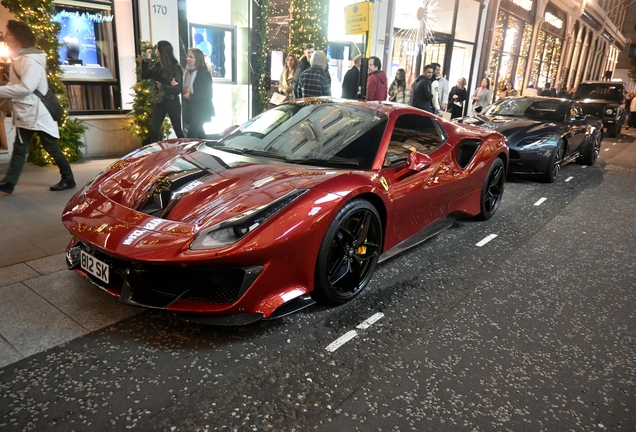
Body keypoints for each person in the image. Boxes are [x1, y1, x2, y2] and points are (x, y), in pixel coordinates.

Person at [0, 20, 75, 194]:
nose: (5, 37)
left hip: (38, 112)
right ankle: (9, 182)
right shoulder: (19, 58)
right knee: (20, 147)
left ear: (18, 39)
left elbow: (27, 87)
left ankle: (68, 178)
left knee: (51, 146)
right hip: (27, 112)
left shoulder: (30, 60)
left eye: (8, 34)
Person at [141, 40, 184, 144]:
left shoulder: (176, 67)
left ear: (162, 51)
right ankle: (154, 152)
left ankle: (185, 149)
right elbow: (145, 75)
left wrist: (162, 86)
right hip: (160, 101)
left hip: (172, 101)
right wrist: (146, 60)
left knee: (177, 129)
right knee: (155, 129)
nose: (156, 51)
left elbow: (178, 89)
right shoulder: (157, 66)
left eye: (157, 49)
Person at [181, 48, 214, 139]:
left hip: (201, 110)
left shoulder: (204, 74)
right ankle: (208, 149)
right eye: (188, 56)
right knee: (201, 135)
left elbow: (208, 95)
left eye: (191, 57)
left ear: (198, 59)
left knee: (190, 136)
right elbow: (185, 89)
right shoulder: (187, 73)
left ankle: (187, 152)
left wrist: (191, 96)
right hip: (192, 110)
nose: (188, 59)